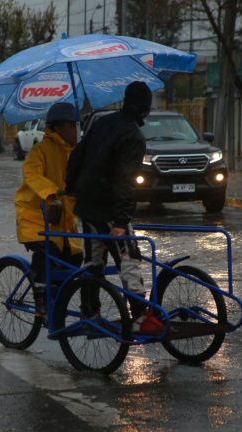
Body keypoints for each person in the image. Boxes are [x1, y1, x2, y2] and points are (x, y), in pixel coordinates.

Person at [65, 81, 163, 334]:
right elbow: (125, 182)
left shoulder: (102, 122)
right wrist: (120, 222)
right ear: (145, 109)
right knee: (129, 258)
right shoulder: (133, 136)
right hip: (109, 209)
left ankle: (90, 312)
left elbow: (77, 156)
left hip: (87, 205)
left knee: (93, 260)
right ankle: (141, 316)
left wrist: (71, 188)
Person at [14, 102, 83, 317]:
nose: (75, 131)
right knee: (48, 252)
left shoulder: (76, 153)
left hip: (64, 220)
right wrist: (51, 193)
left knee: (75, 257)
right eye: (72, 126)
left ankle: (57, 296)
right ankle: (41, 298)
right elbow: (32, 174)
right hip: (35, 217)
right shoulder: (40, 150)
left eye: (76, 126)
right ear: (59, 127)